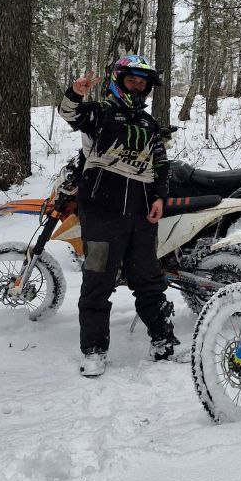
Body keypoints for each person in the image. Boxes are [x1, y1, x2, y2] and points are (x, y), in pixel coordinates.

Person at [59, 54, 173, 377]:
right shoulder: (101, 114)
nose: (137, 86)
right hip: (101, 213)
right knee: (97, 281)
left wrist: (160, 198)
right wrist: (76, 92)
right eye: (132, 81)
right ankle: (94, 350)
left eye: (142, 83)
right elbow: (69, 113)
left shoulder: (150, 126)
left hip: (139, 215)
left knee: (149, 280)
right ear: (120, 81)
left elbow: (161, 166)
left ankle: (163, 338)